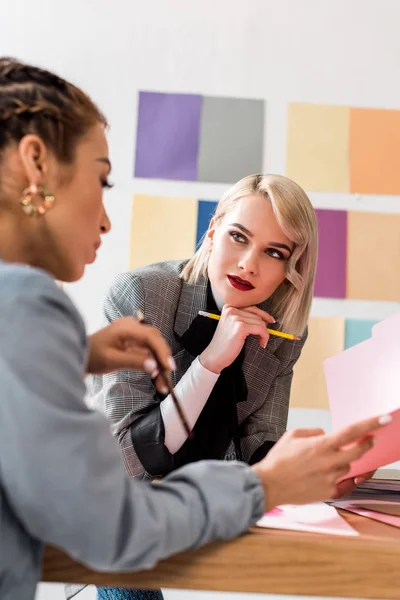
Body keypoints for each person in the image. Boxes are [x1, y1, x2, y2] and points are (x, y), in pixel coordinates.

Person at [0, 57, 386, 600]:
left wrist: (306, 474)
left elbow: (260, 443)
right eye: (102, 179)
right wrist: (267, 482)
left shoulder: (279, 335)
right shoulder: (90, 299)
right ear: (36, 162)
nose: (108, 219)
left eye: (274, 252)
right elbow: (112, 521)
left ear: (290, 269)